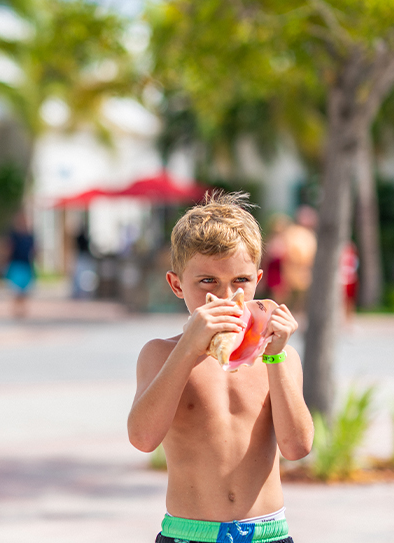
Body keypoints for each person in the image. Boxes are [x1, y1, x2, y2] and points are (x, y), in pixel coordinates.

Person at [127, 192, 313, 543]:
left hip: (267, 533)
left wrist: (275, 356)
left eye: (240, 281)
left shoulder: (278, 355)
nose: (227, 298)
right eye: (207, 281)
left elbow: (297, 447)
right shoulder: (160, 354)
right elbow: (143, 438)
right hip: (188, 534)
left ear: (258, 279)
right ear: (177, 284)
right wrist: (188, 348)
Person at [5, 211, 36, 319]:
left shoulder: (30, 236)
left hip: (26, 265)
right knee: (16, 290)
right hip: (16, 264)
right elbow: (8, 248)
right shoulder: (13, 235)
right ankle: (16, 310)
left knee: (25, 290)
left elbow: (34, 251)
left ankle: (22, 310)